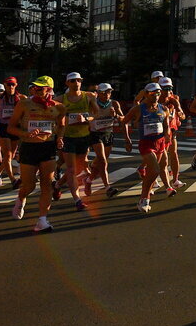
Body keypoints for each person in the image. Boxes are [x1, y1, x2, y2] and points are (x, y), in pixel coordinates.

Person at [8, 76, 65, 232]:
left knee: (47, 185)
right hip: (29, 147)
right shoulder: (24, 104)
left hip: (48, 148)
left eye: (41, 87)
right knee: (30, 185)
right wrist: (26, 134)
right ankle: (20, 199)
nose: (37, 90)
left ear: (49, 89)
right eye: (36, 87)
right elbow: (11, 128)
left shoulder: (59, 107)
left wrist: (59, 138)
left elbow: (61, 126)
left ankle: (42, 220)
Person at [123, 83, 174, 213]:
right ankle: (143, 198)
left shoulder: (163, 108)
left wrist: (167, 135)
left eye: (158, 93)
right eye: (152, 93)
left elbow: (166, 124)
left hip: (160, 143)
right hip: (146, 144)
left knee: (152, 172)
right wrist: (127, 140)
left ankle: (145, 198)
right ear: (146, 94)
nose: (156, 96)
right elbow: (124, 122)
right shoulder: (139, 109)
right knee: (156, 170)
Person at [57, 72, 96, 210]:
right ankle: (77, 200)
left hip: (84, 137)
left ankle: (57, 185)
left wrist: (86, 119)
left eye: (78, 80)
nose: (76, 83)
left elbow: (95, 114)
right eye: (73, 81)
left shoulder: (88, 97)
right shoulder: (61, 99)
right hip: (68, 137)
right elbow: (51, 112)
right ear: (67, 83)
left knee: (78, 167)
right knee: (71, 169)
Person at [0, 76, 25, 188]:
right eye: (8, 85)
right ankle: (13, 180)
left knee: (12, 156)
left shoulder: (21, 98)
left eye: (13, 84)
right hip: (4, 127)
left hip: (16, 127)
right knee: (7, 155)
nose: (11, 87)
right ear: (5, 86)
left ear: (16, 85)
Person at [88, 83, 124, 197]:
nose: (107, 95)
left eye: (109, 92)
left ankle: (88, 180)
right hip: (95, 134)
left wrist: (116, 116)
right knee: (103, 161)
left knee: (100, 162)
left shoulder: (114, 104)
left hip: (108, 133)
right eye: (104, 92)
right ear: (98, 93)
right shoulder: (92, 103)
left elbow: (123, 118)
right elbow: (87, 117)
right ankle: (108, 187)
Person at [158, 76, 186, 190]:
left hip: (172, 130)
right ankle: (154, 179)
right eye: (165, 88)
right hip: (158, 131)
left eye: (170, 88)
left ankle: (175, 180)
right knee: (161, 158)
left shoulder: (174, 99)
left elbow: (182, 114)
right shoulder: (154, 100)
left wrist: (180, 114)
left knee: (174, 153)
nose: (168, 91)